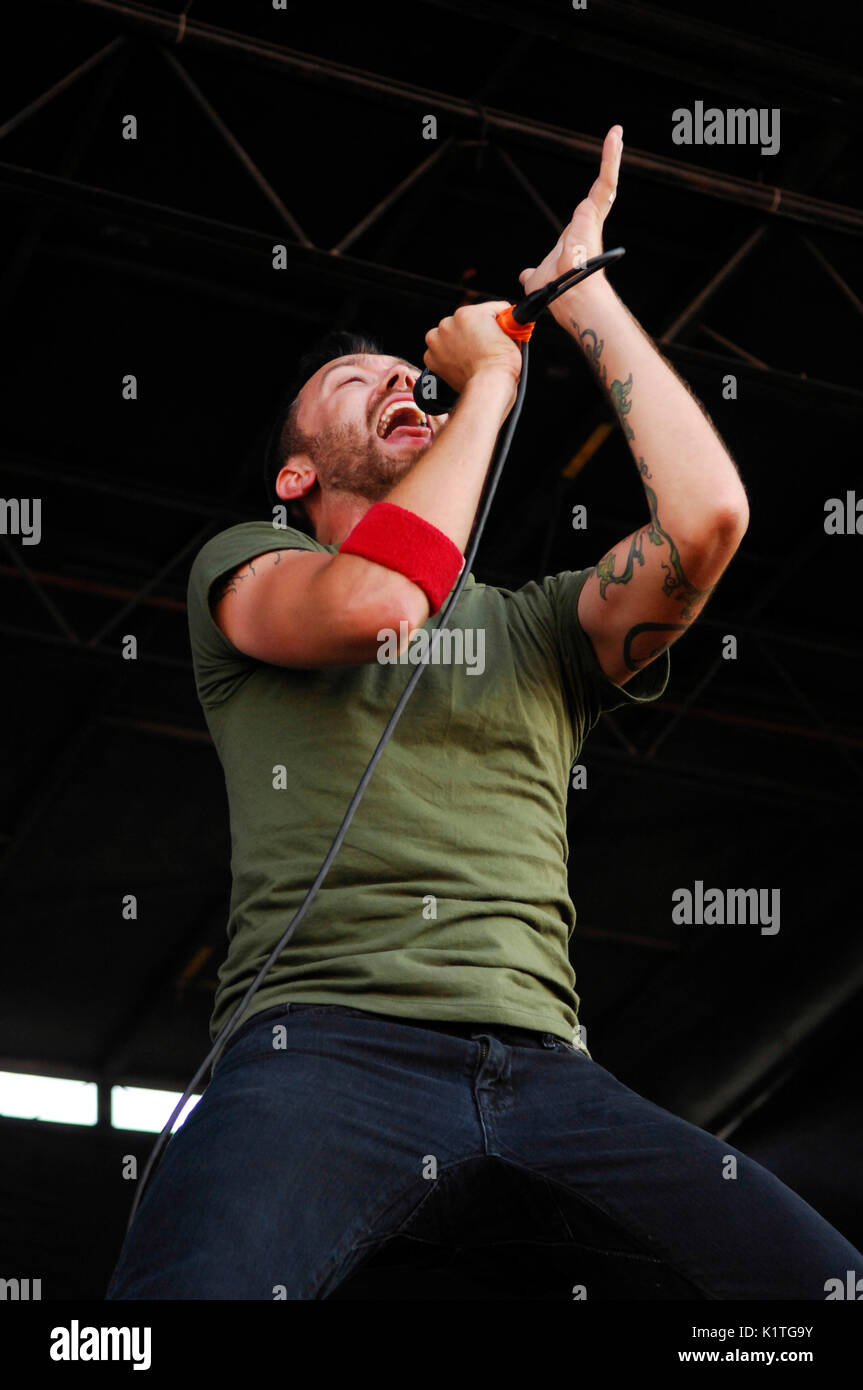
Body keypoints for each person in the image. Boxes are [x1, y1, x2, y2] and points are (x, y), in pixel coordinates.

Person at [106, 127, 862, 1300]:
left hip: (549, 1066)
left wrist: (580, 296)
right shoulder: (249, 566)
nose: (398, 384)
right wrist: (493, 387)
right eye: (350, 386)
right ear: (295, 476)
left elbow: (709, 517)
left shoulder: (540, 624)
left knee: (818, 1286)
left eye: (401, 374)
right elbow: (372, 602)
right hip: (321, 1045)